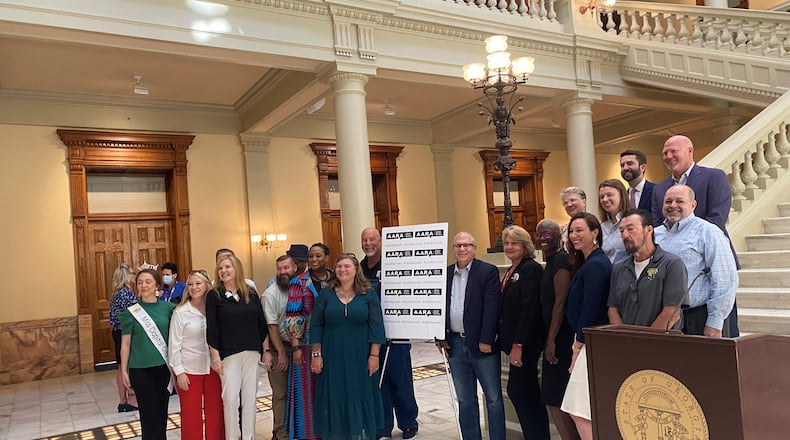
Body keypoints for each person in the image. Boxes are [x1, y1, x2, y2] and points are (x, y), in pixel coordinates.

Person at [650, 134, 740, 336]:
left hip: (706, 283)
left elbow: (717, 217)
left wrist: (687, 236)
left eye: (674, 151)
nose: (669, 156)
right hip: (671, 312)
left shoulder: (713, 177)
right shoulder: (659, 188)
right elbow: (658, 224)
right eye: (665, 153)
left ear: (690, 150)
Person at [310, 253, 386, 439]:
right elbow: (316, 324)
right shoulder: (326, 294)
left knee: (359, 392)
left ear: (355, 270)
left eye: (347, 266)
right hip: (331, 355)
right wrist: (316, 354)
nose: (342, 270)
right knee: (334, 393)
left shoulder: (368, 293)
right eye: (339, 266)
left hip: (360, 355)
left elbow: (377, 326)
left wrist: (374, 355)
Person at [442, 232, 505, 440]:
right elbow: (438, 307)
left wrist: (487, 339)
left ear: (474, 248)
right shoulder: (445, 273)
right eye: (458, 245)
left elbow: (492, 308)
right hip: (455, 345)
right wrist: (440, 337)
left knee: (493, 398)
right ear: (453, 249)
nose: (462, 249)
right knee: (465, 400)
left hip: (481, 344)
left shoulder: (487, 271)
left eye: (466, 245)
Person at [654, 185, 738, 338]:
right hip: (664, 318)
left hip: (698, 317)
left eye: (680, 201)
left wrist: (715, 322)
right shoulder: (655, 234)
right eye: (668, 201)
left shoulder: (708, 232)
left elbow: (725, 280)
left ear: (693, 205)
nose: (673, 205)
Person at [360, 227, 419, 440]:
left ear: (381, 241)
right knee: (378, 383)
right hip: (370, 337)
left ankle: (408, 423)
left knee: (400, 381)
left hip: (396, 334)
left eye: (372, 239)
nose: (368, 243)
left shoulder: (395, 264)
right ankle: (382, 426)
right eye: (364, 240)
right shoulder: (360, 269)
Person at [560, 213, 612, 440]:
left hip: (591, 343)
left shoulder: (597, 264)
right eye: (571, 231)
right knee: (583, 409)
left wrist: (577, 346)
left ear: (595, 232)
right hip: (588, 341)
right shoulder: (588, 262)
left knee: (578, 408)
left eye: (579, 230)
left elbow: (590, 309)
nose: (574, 235)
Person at [206, 254, 267, 440]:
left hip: (252, 352)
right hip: (228, 355)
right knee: (231, 399)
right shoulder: (214, 295)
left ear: (236, 269)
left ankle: (249, 437)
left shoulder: (250, 292)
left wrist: (266, 351)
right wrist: (215, 357)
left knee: (249, 398)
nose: (223, 271)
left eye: (227, 267)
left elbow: (261, 323)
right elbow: (212, 328)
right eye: (220, 268)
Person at [500, 225, 549, 439]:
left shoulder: (531, 269)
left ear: (525, 245)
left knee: (521, 391)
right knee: (522, 391)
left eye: (514, 243)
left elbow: (530, 309)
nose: (509, 247)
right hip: (513, 344)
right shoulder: (513, 269)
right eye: (507, 243)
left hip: (525, 345)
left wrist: (518, 344)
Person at [534, 220, 579, 440]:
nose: (543, 239)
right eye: (539, 235)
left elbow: (560, 301)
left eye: (548, 234)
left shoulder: (561, 259)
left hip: (561, 338)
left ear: (558, 236)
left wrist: (551, 340)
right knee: (553, 399)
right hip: (552, 336)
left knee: (556, 398)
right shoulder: (550, 261)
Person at [119, 267, 176, 440]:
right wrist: (123, 370)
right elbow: (125, 344)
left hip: (163, 368)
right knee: (148, 414)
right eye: (140, 282)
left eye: (148, 281)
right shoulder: (131, 312)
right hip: (140, 369)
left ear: (157, 285)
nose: (143, 285)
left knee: (161, 411)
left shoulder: (169, 308)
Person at [607, 209, 688, 329]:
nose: (625, 235)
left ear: (649, 230)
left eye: (630, 229)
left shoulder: (671, 264)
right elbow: (613, 309)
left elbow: (672, 312)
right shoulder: (619, 268)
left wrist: (645, 342)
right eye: (621, 230)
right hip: (626, 344)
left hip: (662, 344)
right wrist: (624, 339)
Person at [168, 269, 224, 440]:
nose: (194, 287)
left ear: (207, 285)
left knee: (216, 413)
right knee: (191, 416)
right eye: (190, 284)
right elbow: (174, 345)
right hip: (189, 370)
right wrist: (179, 372)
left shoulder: (216, 309)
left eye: (198, 283)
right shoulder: (181, 312)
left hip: (214, 369)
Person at [284, 249, 324, 440]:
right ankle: (307, 434)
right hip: (306, 346)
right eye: (311, 256)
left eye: (318, 256)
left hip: (332, 344)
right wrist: (296, 346)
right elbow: (293, 316)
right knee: (307, 394)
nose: (314, 259)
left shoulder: (334, 278)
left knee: (328, 392)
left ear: (327, 257)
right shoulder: (298, 282)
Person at [262, 255, 299, 440]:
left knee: (299, 392)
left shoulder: (302, 289)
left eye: (286, 268)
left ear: (295, 268)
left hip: (300, 349)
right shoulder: (270, 294)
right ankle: (280, 433)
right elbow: (271, 326)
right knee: (281, 394)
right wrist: (282, 353)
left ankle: (299, 430)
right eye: (279, 268)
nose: (283, 272)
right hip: (280, 350)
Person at [109, 263, 138, 413]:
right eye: (132, 273)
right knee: (128, 365)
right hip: (126, 333)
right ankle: (133, 400)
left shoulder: (115, 293)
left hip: (116, 331)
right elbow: (137, 311)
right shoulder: (127, 293)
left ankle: (122, 400)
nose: (135, 276)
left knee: (121, 366)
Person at [598, 179, 629, 265]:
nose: (605, 199)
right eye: (601, 197)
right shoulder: (600, 226)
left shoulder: (632, 222)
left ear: (621, 196)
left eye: (609, 195)